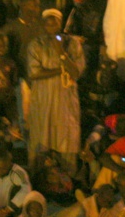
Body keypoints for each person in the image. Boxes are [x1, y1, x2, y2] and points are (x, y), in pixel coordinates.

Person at [26, 9, 85, 172]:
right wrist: (60, 71)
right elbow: (34, 73)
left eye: (55, 22)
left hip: (65, 103)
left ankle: (68, 183)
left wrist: (62, 53)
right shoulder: (36, 44)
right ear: (43, 25)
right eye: (48, 22)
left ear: (61, 23)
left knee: (66, 139)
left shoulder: (73, 44)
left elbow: (75, 72)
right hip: (44, 101)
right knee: (41, 140)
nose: (51, 26)